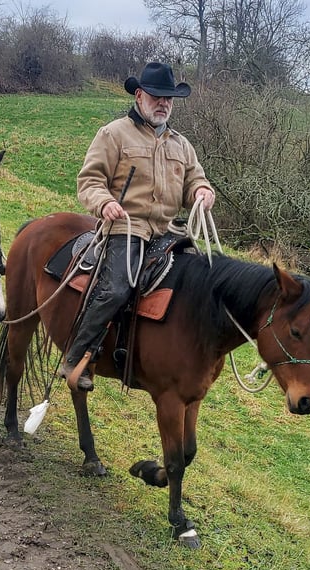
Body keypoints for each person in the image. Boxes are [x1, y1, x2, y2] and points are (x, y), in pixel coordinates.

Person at [59, 62, 216, 392]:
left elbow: (194, 181)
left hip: (168, 230)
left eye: (169, 98)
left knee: (206, 277)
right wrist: (104, 202)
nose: (164, 104)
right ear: (140, 96)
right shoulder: (113, 134)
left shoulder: (181, 145)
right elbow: (90, 180)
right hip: (126, 227)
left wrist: (202, 192)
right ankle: (77, 355)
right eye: (157, 97)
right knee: (116, 288)